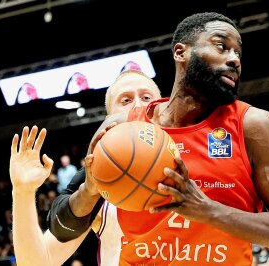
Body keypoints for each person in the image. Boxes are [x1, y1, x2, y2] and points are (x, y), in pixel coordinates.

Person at [45, 12, 269, 265]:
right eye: (221, 46)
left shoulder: (254, 126)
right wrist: (90, 190)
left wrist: (209, 211)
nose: (234, 59)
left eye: (237, 52)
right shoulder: (124, 128)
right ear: (181, 52)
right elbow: (61, 228)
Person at [10, 67, 162, 266]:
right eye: (125, 100)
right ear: (110, 119)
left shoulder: (195, 157)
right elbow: (37, 263)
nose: (137, 106)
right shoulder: (98, 180)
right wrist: (22, 192)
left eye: (146, 97)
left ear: (162, 110)